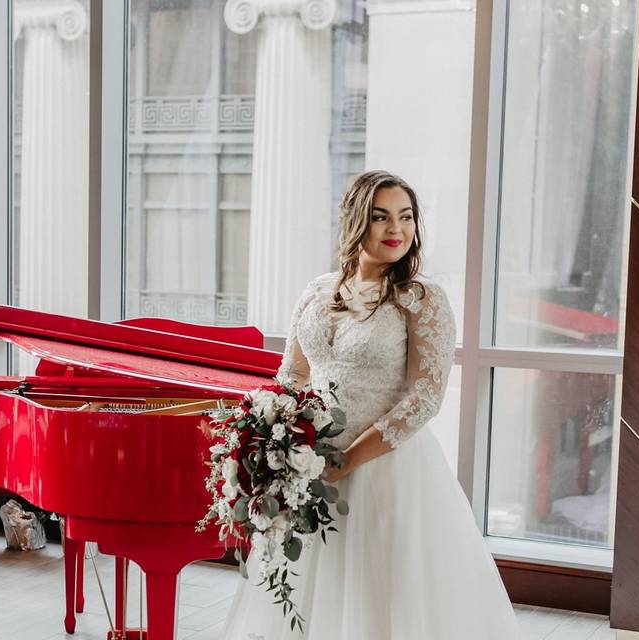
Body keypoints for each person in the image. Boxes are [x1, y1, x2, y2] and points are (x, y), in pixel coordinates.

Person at [221, 170, 521, 639]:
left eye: (405, 217)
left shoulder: (422, 300)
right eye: (380, 217)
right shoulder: (317, 291)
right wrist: (276, 436)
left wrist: (345, 461)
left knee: (381, 598)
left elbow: (424, 398)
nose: (395, 229)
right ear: (355, 222)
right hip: (309, 465)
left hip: (385, 468)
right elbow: (293, 374)